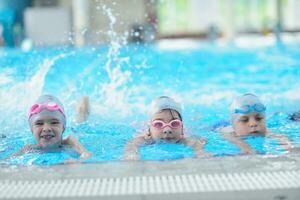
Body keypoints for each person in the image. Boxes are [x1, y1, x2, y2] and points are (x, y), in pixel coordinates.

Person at [10, 94, 92, 163]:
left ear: (63, 128)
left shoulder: (70, 142)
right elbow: (7, 162)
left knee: (79, 123)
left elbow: (87, 155)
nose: (46, 128)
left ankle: (82, 110)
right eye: (39, 123)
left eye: (54, 122)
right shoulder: (29, 148)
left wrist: (79, 161)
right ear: (32, 130)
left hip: (75, 131)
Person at [124, 96, 209, 160]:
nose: (167, 130)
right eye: (158, 124)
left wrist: (201, 152)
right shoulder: (145, 139)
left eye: (174, 123)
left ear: (182, 128)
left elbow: (197, 145)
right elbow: (132, 145)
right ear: (149, 130)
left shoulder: (185, 139)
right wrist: (131, 155)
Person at [218, 93, 296, 154]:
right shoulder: (228, 131)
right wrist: (245, 147)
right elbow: (231, 137)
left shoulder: (266, 130)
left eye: (258, 118)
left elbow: (280, 136)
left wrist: (289, 145)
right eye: (245, 120)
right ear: (234, 126)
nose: (253, 124)